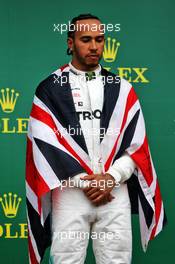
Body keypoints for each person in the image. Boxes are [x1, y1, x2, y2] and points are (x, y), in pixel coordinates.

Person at [26, 14, 167, 264]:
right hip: (70, 193)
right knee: (65, 260)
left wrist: (110, 179)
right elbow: (46, 148)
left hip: (115, 192)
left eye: (100, 39)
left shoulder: (122, 88)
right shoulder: (49, 89)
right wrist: (87, 183)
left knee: (118, 261)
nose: (94, 46)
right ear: (70, 43)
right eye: (86, 39)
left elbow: (136, 148)